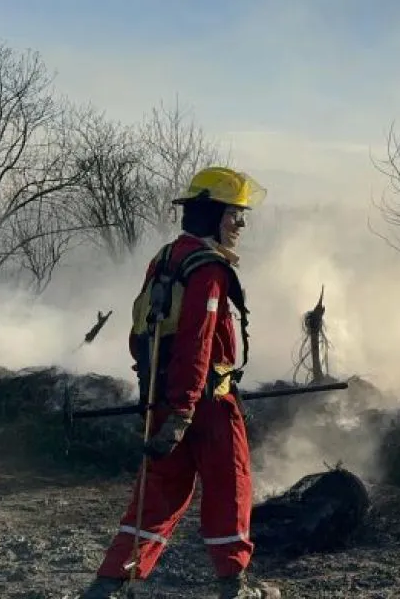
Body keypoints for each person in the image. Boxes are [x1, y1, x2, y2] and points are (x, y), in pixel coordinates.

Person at [79, 167, 279, 599]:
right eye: (234, 215)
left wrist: (162, 401)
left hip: (163, 400)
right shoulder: (207, 269)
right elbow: (197, 341)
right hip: (205, 405)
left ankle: (109, 584)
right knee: (231, 486)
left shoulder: (166, 258)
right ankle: (234, 585)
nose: (240, 225)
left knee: (158, 493)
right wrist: (187, 409)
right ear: (211, 215)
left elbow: (140, 335)